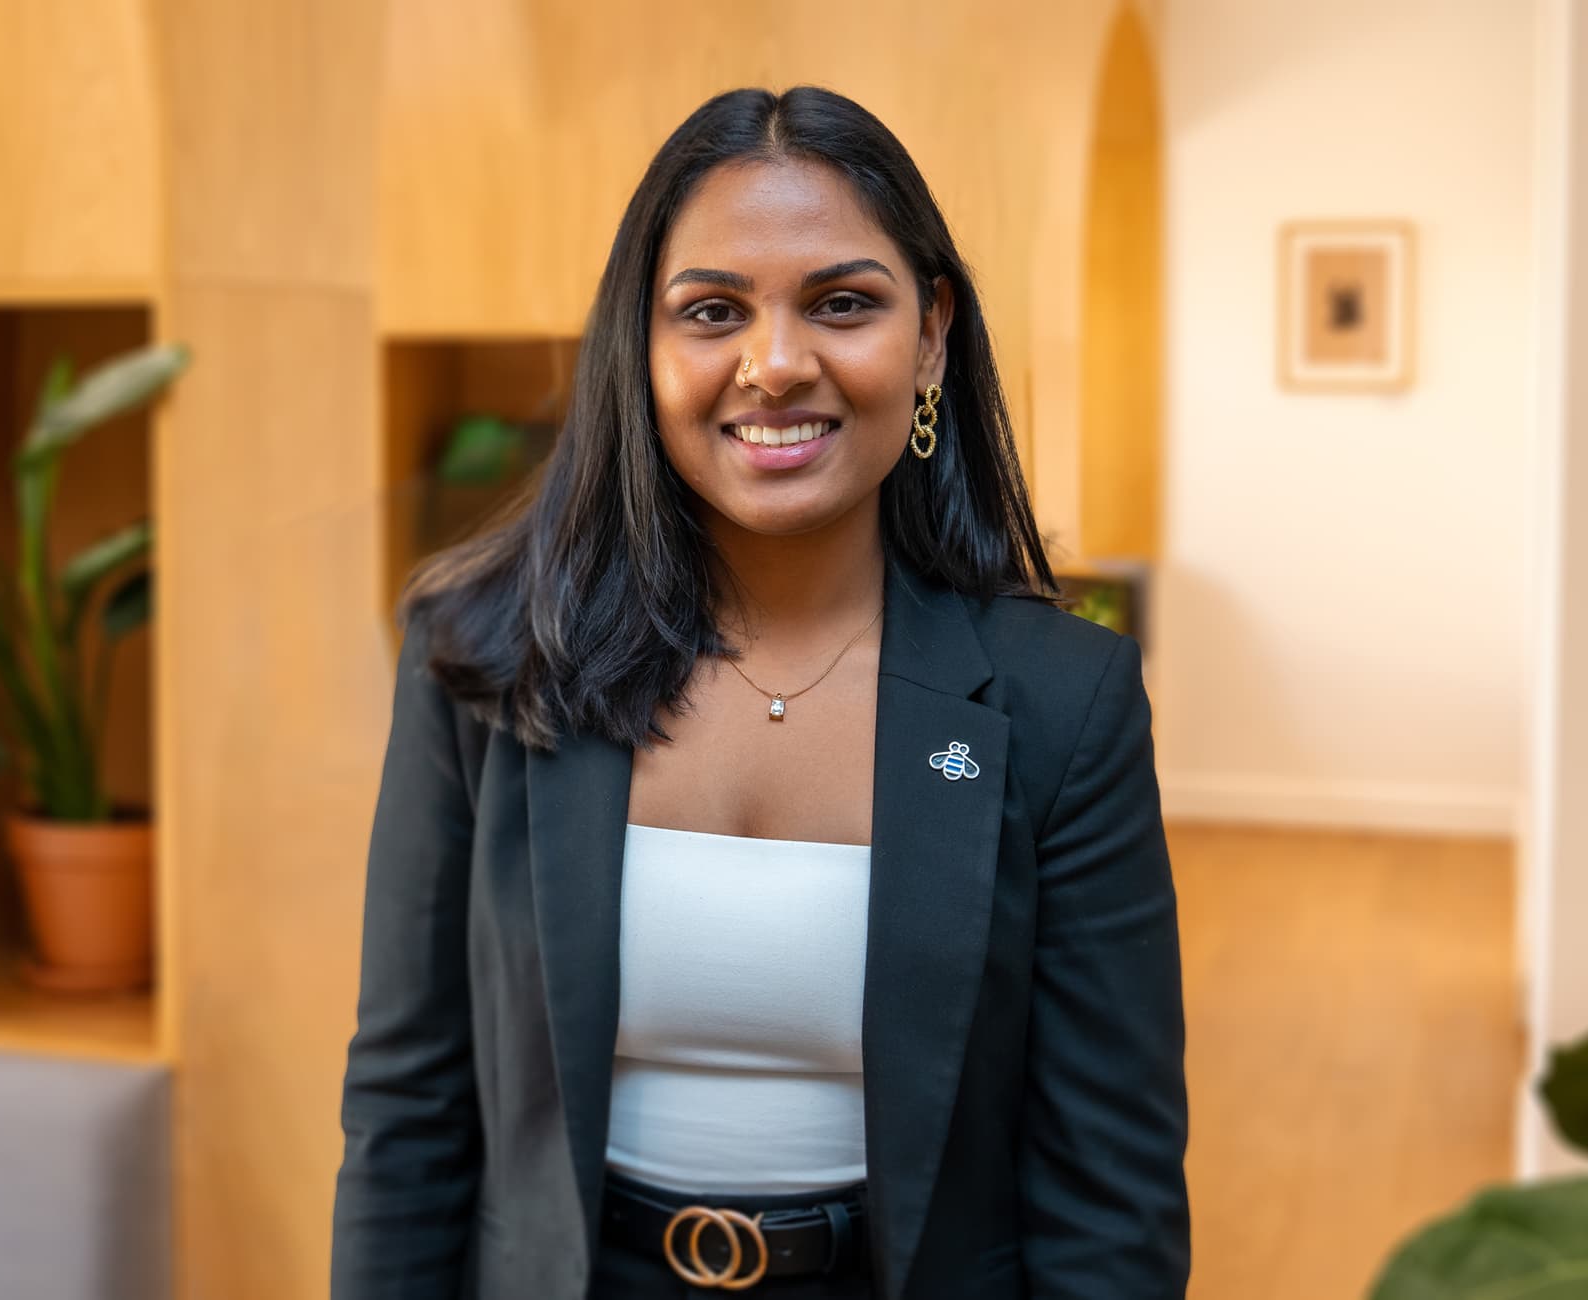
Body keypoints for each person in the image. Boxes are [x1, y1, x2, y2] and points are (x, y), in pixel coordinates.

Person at [333, 85, 1190, 1299]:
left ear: (932, 333)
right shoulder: (486, 659)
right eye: (711, 311)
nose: (775, 365)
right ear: (643, 343)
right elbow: (408, 1109)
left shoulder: (1064, 703)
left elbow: (1112, 1187)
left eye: (842, 304)